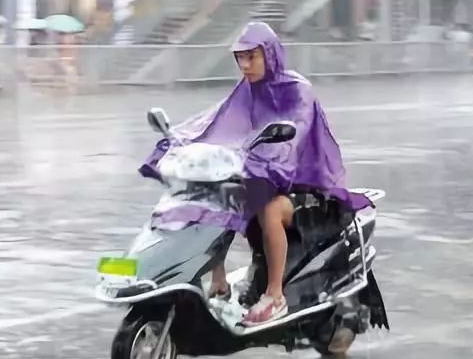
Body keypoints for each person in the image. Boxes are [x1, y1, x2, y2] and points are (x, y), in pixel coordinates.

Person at [139, 22, 370, 326]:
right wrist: (182, 140)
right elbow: (218, 122)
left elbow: (295, 132)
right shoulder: (248, 90)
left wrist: (267, 158)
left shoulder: (297, 90)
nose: (245, 65)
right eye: (240, 58)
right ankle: (218, 282)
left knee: (270, 210)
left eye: (252, 57)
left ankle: (275, 296)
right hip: (267, 175)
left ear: (270, 55)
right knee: (214, 196)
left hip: (309, 187)